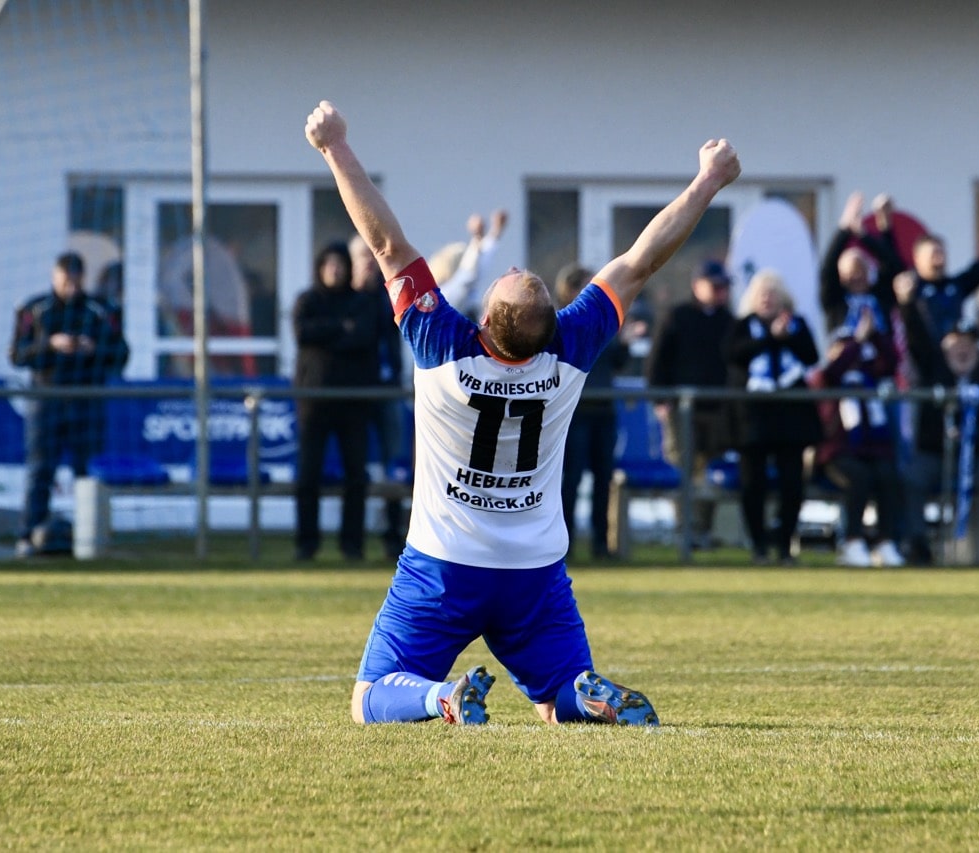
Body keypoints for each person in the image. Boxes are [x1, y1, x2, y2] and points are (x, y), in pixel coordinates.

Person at [305, 99, 739, 726]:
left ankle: (441, 697)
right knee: (554, 704)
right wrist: (707, 181)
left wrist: (333, 147)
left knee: (368, 698)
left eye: (514, 277)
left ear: (484, 321)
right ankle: (581, 693)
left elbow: (385, 244)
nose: (514, 267)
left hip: (443, 564)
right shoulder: (569, 349)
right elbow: (641, 261)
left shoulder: (443, 347)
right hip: (532, 571)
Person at [896, 266, 979, 565]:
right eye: (955, 343)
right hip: (935, 454)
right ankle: (917, 545)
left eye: (969, 343)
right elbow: (917, 336)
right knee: (912, 478)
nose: (962, 349)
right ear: (944, 346)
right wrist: (906, 303)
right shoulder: (934, 369)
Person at [9, 251, 129, 557]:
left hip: (86, 402)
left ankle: (90, 537)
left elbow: (121, 355)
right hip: (46, 402)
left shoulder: (102, 310)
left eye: (76, 279)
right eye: (65, 278)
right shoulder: (34, 309)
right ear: (55, 276)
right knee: (40, 471)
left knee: (87, 472)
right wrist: (49, 345)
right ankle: (28, 535)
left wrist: (92, 349)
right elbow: (17, 355)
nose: (70, 285)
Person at [292, 240, 392, 561]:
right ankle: (306, 546)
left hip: (353, 404)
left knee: (356, 477)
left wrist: (328, 334)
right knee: (308, 476)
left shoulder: (362, 303)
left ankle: (353, 546)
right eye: (328, 264)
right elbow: (303, 333)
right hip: (314, 403)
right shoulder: (307, 300)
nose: (334, 270)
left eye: (340, 264)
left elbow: (363, 336)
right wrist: (339, 327)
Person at [725, 270, 822, 564]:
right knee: (753, 484)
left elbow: (811, 356)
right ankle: (759, 546)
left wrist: (787, 337)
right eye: (761, 294)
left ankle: (784, 546)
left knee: (792, 484)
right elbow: (733, 355)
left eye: (772, 293)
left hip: (791, 420)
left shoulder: (797, 324)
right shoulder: (741, 326)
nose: (767, 299)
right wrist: (769, 338)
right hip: (752, 420)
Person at [643, 259, 735, 548]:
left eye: (724, 287)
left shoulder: (729, 322)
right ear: (698, 286)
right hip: (682, 409)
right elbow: (657, 362)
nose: (720, 292)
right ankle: (686, 531)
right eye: (715, 286)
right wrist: (660, 399)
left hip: (717, 410)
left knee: (710, 471)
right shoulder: (677, 316)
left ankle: (704, 530)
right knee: (686, 467)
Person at [808, 310, 905, 567]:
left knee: (887, 475)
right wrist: (856, 342)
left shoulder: (868, 378)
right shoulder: (825, 378)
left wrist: (874, 336)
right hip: (836, 453)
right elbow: (834, 371)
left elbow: (892, 362)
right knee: (858, 478)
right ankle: (852, 540)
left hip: (872, 450)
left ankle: (885, 541)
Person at [556, 263, 629, 559]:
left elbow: (618, 361)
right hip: (575, 413)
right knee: (570, 479)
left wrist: (624, 340)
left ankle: (602, 543)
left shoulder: (603, 321)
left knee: (604, 477)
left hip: (603, 411)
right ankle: (566, 542)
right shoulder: (561, 322)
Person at [349, 233, 408, 559]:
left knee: (394, 464)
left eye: (372, 255)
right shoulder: (345, 299)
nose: (369, 262)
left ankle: (393, 536)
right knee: (354, 465)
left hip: (388, 391)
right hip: (356, 393)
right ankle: (353, 542)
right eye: (362, 256)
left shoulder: (388, 298)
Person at [909, 194, 979, 341]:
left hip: (952, 358)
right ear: (917, 259)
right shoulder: (911, 290)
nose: (939, 258)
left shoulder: (956, 286)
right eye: (933, 254)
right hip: (923, 359)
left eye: (942, 253)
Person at [819, 192, 906, 341]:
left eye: (861, 270)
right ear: (841, 276)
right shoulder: (835, 300)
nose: (856, 277)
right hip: (845, 361)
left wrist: (874, 232)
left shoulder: (881, 295)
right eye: (850, 273)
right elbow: (828, 269)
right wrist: (844, 229)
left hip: (880, 361)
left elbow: (893, 265)